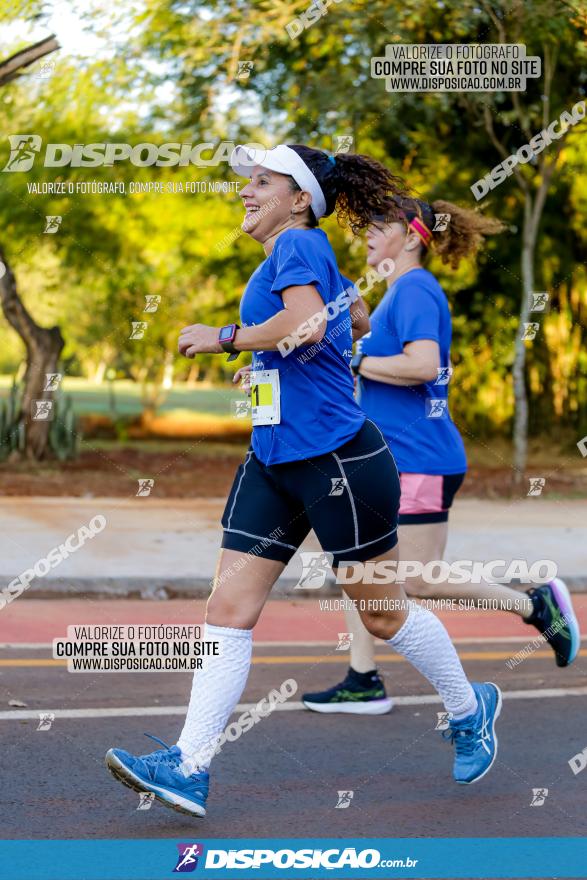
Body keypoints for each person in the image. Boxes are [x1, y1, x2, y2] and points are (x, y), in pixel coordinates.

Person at [105, 145, 503, 819]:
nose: (245, 191)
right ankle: (190, 767)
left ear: (299, 199)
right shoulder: (292, 257)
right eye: (246, 181)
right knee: (227, 610)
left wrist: (229, 335)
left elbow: (306, 325)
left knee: (380, 611)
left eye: (262, 181)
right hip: (274, 460)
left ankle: (469, 711)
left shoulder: (298, 246)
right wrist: (266, 363)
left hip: (338, 461)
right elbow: (342, 326)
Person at [301, 196, 580, 716]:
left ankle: (534, 605)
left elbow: (424, 364)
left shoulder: (415, 289)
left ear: (410, 237)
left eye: (379, 225)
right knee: (356, 563)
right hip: (389, 460)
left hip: (421, 459)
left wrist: (358, 360)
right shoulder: (392, 297)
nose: (366, 233)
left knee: (418, 577)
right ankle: (362, 679)